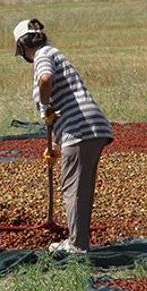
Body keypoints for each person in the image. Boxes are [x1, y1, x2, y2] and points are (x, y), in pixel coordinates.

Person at [13, 18, 113, 254]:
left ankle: (77, 244)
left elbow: (46, 79)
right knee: (81, 188)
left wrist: (45, 105)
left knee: (73, 188)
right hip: (90, 128)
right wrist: (56, 146)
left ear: (21, 47)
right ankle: (79, 237)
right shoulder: (55, 53)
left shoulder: (43, 55)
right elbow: (66, 102)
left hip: (79, 130)